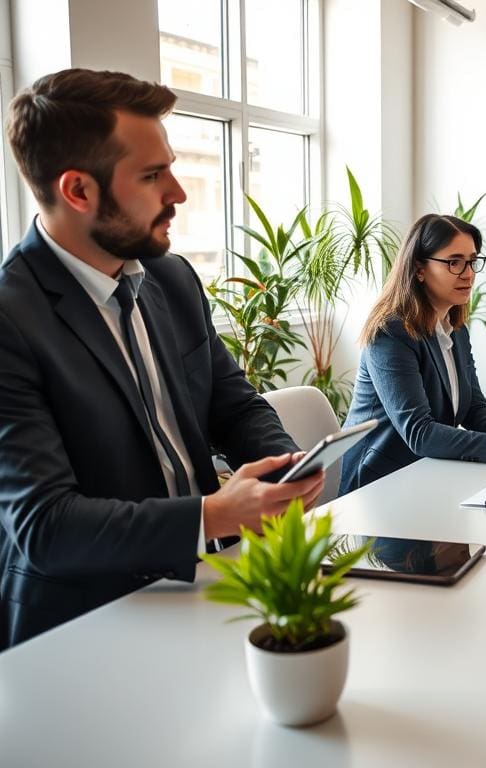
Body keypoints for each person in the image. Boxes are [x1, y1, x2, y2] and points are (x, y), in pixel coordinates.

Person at [0, 69, 325, 649]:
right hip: (84, 625)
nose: (177, 192)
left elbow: (235, 404)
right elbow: (44, 526)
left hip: (206, 586)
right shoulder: (10, 319)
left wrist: (284, 467)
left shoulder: (170, 278)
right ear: (78, 191)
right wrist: (217, 514)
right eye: (153, 176)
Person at [339, 214, 486, 493]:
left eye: (472, 261)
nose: (468, 273)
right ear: (419, 269)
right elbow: (419, 432)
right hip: (380, 485)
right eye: (454, 262)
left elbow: (473, 409)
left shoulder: (455, 330)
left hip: (429, 473)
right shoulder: (390, 333)